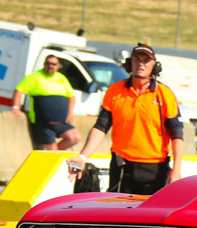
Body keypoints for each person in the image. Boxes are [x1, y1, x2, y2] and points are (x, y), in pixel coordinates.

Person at [66, 43, 184, 195]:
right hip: (122, 166)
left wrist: (176, 170)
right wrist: (82, 157)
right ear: (129, 63)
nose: (141, 64)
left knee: (152, 209)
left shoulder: (165, 94)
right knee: (117, 207)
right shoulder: (115, 91)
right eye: (137, 59)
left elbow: (177, 135)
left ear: (155, 67)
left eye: (146, 60)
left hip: (156, 168)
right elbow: (100, 128)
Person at [12, 55, 81, 150]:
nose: (50, 66)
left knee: (75, 138)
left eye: (53, 64)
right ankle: (52, 153)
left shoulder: (61, 78)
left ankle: (52, 153)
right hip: (43, 123)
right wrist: (16, 107)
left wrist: (70, 113)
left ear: (58, 66)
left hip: (61, 122)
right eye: (48, 63)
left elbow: (71, 97)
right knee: (52, 150)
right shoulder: (35, 76)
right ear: (44, 64)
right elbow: (19, 90)